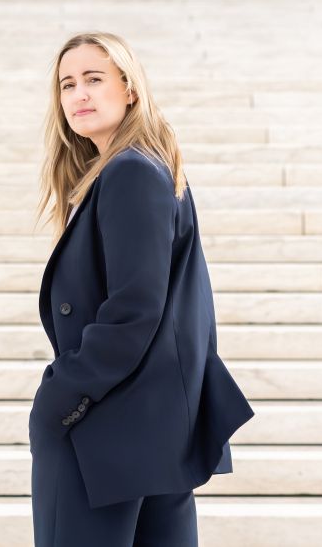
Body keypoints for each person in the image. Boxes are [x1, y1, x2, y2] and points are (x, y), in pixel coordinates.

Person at [29, 30, 255, 547]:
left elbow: (134, 308)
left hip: (104, 427)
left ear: (129, 89)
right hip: (150, 430)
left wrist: (62, 396)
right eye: (67, 85)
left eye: (93, 79)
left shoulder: (131, 171)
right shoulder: (144, 168)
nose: (78, 95)